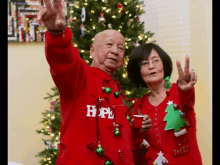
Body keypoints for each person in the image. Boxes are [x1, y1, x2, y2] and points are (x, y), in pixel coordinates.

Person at [37, 0, 152, 164]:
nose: (115, 50)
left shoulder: (119, 95)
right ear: (92, 50)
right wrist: (58, 33)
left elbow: (124, 144)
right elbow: (63, 58)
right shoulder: (78, 76)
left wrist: (138, 131)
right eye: (109, 44)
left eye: (121, 48)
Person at [127, 43, 202, 165]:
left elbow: (187, 98)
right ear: (138, 72)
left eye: (155, 60)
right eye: (144, 63)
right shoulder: (137, 107)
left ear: (164, 64)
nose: (151, 66)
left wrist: (185, 89)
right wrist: (137, 132)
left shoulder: (179, 92)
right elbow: (136, 150)